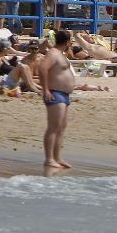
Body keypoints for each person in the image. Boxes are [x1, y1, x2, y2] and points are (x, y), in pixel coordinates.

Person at [39, 29, 76, 169]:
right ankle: (49, 159)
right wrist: (46, 89)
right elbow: (43, 68)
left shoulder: (60, 54)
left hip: (64, 95)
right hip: (55, 93)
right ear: (67, 42)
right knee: (53, 127)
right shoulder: (53, 53)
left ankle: (57, 158)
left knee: (61, 128)